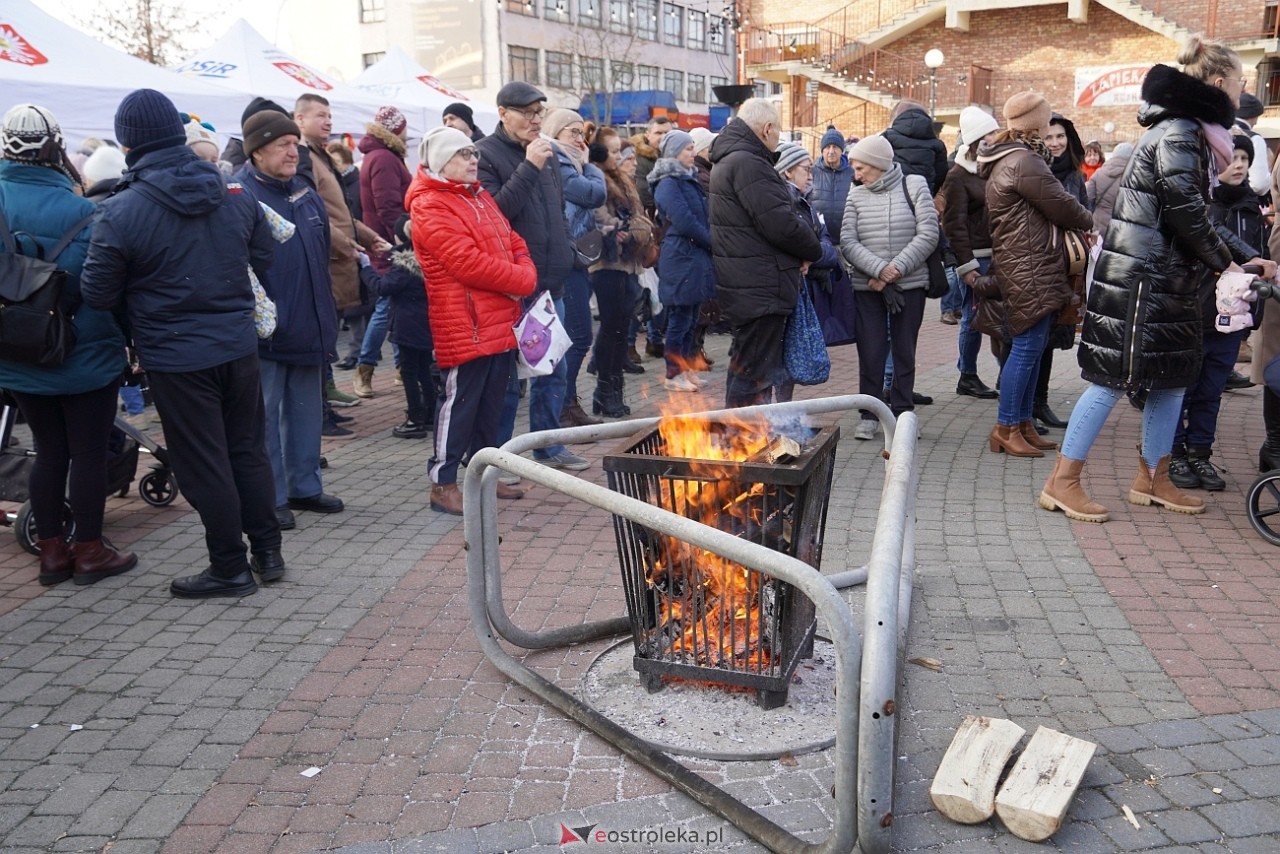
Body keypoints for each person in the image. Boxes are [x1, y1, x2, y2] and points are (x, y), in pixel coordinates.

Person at [1039, 36, 1274, 523]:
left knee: (1171, 381)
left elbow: (1197, 214)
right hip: (1142, 282)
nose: (1241, 90)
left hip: (1164, 280)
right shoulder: (1180, 133)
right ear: (1216, 83)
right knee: (1110, 381)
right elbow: (1187, 212)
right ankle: (1062, 482)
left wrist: (1247, 256)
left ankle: (1153, 476)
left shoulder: (1187, 130)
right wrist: (1226, 264)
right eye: (1237, 81)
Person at [82, 89, 283, 598]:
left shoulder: (121, 209)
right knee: (246, 450)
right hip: (235, 344)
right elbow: (261, 250)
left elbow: (98, 292)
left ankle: (230, 567)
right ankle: (268, 551)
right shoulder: (232, 191)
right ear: (176, 133)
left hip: (176, 353)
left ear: (128, 143)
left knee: (204, 461)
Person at [0, 104, 136, 588]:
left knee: (48, 450)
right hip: (84, 351)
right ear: (55, 147)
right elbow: (104, 288)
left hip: (17, 350)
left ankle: (53, 554)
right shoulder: (85, 212)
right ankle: (91, 550)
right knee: (89, 454)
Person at [407, 126, 537, 515]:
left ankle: (483, 477)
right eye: (463, 154)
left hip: (498, 319)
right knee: (459, 406)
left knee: (491, 407)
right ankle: (442, 484)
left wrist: (524, 272)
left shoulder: (478, 196)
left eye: (473, 153)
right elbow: (465, 262)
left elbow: (514, 240)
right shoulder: (430, 204)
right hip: (467, 324)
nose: (473, 160)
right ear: (441, 161)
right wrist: (522, 279)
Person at [235, 109, 345, 530]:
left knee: (304, 412)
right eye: (283, 145)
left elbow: (318, 254)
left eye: (295, 144)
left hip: (311, 322)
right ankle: (272, 496)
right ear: (257, 151)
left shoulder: (304, 191)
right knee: (264, 417)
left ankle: (305, 486)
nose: (293, 152)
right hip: (267, 329)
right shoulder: (241, 195)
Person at [477, 81, 588, 471]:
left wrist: (567, 253)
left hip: (550, 283)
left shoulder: (546, 153)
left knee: (553, 370)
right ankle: (500, 461)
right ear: (503, 113)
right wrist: (529, 166)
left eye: (539, 112)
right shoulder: (484, 155)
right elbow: (495, 215)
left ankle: (548, 447)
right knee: (510, 382)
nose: (535, 120)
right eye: (527, 113)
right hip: (513, 288)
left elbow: (557, 212)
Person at [977, 93, 1092, 458]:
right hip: (1029, 265)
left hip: (1027, 262)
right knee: (1026, 349)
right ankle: (1006, 426)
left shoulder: (1012, 157)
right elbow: (1064, 205)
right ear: (1037, 125)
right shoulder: (1025, 161)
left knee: (1033, 345)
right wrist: (1088, 220)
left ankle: (1023, 423)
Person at [709, 98, 823, 408]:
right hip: (759, 288)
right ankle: (743, 443)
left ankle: (744, 438)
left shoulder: (732, 159)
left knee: (747, 368)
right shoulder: (748, 162)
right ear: (767, 128)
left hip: (749, 285)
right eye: (778, 133)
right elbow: (780, 224)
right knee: (753, 373)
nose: (778, 140)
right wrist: (813, 249)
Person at [1168, 136, 1267, 491]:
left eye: (1245, 159)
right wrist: (1251, 262)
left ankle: (1200, 454)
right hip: (1197, 311)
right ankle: (1174, 453)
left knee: (1211, 391)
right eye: (1232, 158)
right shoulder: (1202, 206)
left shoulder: (1251, 206)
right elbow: (1216, 237)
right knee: (1184, 390)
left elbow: (1259, 259)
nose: (1239, 165)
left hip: (1233, 317)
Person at [293, 95, 390, 414]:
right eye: (321, 115)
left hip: (339, 254)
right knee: (323, 333)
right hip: (327, 259)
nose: (329, 121)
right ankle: (321, 408)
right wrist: (346, 243)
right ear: (300, 119)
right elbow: (312, 213)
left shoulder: (321, 156)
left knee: (329, 332)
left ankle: (325, 403)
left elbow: (339, 212)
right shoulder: (304, 157)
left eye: (330, 114)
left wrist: (367, 235)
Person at [841, 134, 940, 440]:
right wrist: (878, 270)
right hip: (867, 286)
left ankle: (902, 413)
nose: (856, 175)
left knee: (904, 349)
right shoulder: (855, 195)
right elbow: (847, 240)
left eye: (861, 167)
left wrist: (894, 270)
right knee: (870, 350)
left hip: (909, 284)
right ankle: (869, 414)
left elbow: (928, 233)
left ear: (878, 164)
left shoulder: (915, 186)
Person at [544, 108, 605, 428]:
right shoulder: (560, 161)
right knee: (578, 335)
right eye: (572, 132)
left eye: (582, 132)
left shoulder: (571, 160)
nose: (580, 139)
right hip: (565, 260)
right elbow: (594, 194)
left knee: (577, 335)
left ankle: (565, 403)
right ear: (555, 133)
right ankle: (563, 406)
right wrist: (591, 167)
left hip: (577, 257)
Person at [939, 106, 1001, 401]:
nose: (995, 137)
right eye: (989, 133)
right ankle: (968, 375)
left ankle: (1007, 373)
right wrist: (966, 265)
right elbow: (954, 225)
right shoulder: (958, 176)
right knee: (972, 317)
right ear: (976, 139)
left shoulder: (997, 166)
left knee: (1003, 317)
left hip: (1001, 254)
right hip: (977, 257)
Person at [591, 130, 653, 417]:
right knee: (612, 329)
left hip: (628, 263)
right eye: (613, 151)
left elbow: (637, 217)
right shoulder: (595, 178)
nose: (618, 156)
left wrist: (637, 229)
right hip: (608, 264)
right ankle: (606, 389)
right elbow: (603, 220)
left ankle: (613, 389)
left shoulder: (621, 179)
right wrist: (630, 230)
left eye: (619, 151)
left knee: (620, 328)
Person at [774, 142, 840, 402]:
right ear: (788, 171)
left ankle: (781, 416)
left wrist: (810, 257)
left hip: (802, 290)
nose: (811, 174)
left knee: (789, 359)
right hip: (784, 290)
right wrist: (809, 253)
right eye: (805, 168)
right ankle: (773, 420)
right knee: (779, 360)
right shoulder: (783, 204)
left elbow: (829, 249)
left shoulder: (807, 206)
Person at [355, 105, 412, 398]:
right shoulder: (384, 158)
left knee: (393, 307)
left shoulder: (380, 156)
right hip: (388, 245)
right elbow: (388, 206)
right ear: (395, 129)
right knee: (385, 307)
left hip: (385, 243)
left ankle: (403, 368)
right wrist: (400, 243)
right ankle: (365, 369)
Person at [651, 129, 715, 392]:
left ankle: (686, 368)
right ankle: (673, 372)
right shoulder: (668, 182)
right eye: (688, 148)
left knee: (690, 318)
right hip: (680, 257)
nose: (693, 152)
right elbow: (685, 220)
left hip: (693, 256)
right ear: (674, 152)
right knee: (679, 319)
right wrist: (712, 241)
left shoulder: (687, 179)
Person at [372, 216, 436, 439]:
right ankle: (430, 413)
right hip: (425, 327)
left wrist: (364, 267)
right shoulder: (427, 258)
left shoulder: (403, 268)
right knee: (425, 370)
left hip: (407, 329)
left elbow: (382, 287)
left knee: (409, 372)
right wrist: (392, 250)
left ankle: (414, 419)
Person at [883, 99, 948, 195]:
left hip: (891, 198)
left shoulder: (886, 137)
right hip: (923, 197)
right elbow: (940, 176)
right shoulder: (937, 144)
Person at [1086, 142, 1134, 240]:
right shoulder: (1135, 175)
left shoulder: (1098, 173)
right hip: (1124, 228)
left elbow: (1088, 200)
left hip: (1099, 227)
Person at [632, 116, 672, 215]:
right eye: (658, 133)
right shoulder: (639, 158)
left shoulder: (675, 157)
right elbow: (643, 191)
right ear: (648, 135)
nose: (663, 137)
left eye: (667, 133)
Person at [1234, 92, 1269, 196]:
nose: (1256, 123)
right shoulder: (1255, 139)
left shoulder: (1219, 132)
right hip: (1243, 205)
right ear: (1252, 116)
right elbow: (1259, 185)